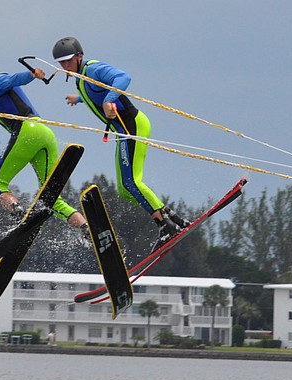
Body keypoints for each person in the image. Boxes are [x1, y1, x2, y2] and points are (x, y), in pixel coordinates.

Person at [52, 37, 190, 251]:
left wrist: (110, 99)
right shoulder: (80, 79)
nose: (65, 66)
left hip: (132, 127)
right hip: (122, 132)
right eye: (61, 63)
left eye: (68, 61)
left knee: (131, 182)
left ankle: (165, 226)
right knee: (124, 189)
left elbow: (123, 77)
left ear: (79, 56)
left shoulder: (93, 68)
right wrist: (77, 99)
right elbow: (92, 95)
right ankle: (173, 219)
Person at [0, 53, 87, 236]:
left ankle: (20, 219)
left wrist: (32, 74)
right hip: (44, 134)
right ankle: (86, 228)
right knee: (49, 198)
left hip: (27, 131)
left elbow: (13, 79)